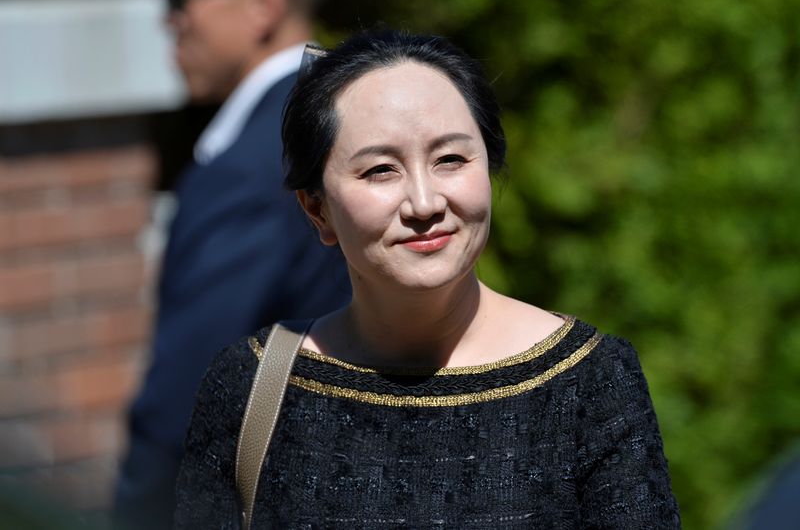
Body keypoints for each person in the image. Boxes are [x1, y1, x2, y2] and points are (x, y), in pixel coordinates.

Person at [173, 30, 681, 528]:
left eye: (451, 159)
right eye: (380, 170)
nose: (425, 203)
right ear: (317, 209)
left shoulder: (589, 382)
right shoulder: (251, 388)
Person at [114, 0, 350, 528]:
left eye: (180, 2)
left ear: (262, 6)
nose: (170, 20)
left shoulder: (256, 163)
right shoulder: (348, 116)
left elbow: (185, 402)